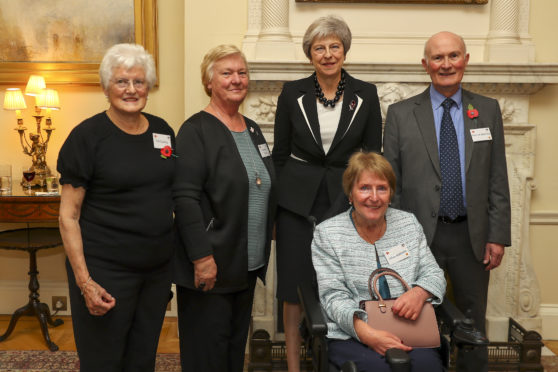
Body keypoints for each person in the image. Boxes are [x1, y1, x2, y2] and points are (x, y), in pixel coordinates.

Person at [383, 31, 511, 372]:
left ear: (465, 61)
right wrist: (394, 238)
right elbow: (390, 184)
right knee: (418, 320)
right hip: (418, 237)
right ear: (425, 65)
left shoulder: (487, 110)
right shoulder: (400, 114)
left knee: (472, 321)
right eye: (438, 58)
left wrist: (497, 235)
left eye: (453, 56)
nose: (446, 64)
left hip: (473, 236)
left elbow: (498, 177)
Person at [272, 16, 382, 371]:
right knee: (294, 287)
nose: (328, 53)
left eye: (335, 46)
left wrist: (366, 201)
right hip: (296, 204)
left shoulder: (366, 93)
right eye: (319, 47)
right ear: (310, 54)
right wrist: (277, 207)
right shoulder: (292, 93)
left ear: (345, 51)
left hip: (346, 202)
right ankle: (292, 364)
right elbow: (279, 154)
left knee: (344, 284)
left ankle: (339, 360)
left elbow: (373, 155)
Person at [58, 43, 175, 371]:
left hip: (155, 272)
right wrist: (85, 282)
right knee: (103, 361)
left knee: (142, 360)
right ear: (106, 87)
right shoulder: (87, 137)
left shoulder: (163, 133)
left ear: (149, 86)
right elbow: (68, 215)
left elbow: (171, 186)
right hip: (105, 271)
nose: (131, 89)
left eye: (139, 82)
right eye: (122, 81)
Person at [172, 44, 276, 372]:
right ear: (209, 82)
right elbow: (184, 199)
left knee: (232, 353)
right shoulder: (195, 130)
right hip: (212, 265)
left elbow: (261, 185)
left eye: (242, 73)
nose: (236, 80)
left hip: (245, 265)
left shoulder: (253, 129)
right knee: (208, 355)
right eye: (226, 73)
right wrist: (202, 259)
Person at [311, 151, 446, 372]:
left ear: (390, 193)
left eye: (381, 188)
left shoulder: (408, 224)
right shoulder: (328, 234)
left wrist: (419, 292)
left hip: (409, 327)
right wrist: (367, 333)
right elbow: (333, 296)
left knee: (427, 366)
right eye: (364, 188)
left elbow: (433, 273)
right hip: (351, 333)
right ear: (350, 194)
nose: (374, 197)